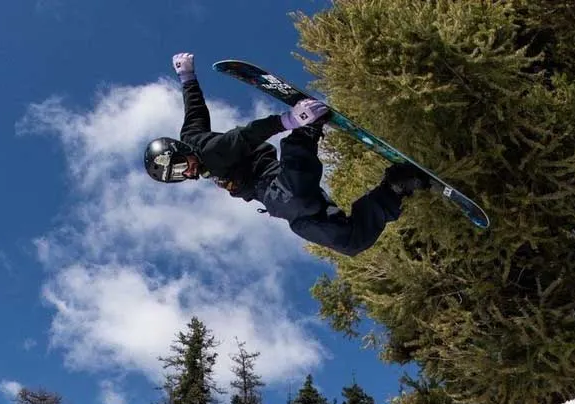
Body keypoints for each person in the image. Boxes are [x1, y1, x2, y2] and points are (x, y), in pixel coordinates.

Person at [143, 53, 429, 257]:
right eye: (178, 177)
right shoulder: (191, 137)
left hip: (277, 187)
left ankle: (305, 133)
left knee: (293, 199)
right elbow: (194, 110)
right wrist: (187, 76)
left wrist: (289, 121)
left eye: (180, 167)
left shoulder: (211, 153)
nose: (187, 173)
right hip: (284, 206)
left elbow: (245, 136)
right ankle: (394, 187)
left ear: (178, 151)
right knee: (350, 241)